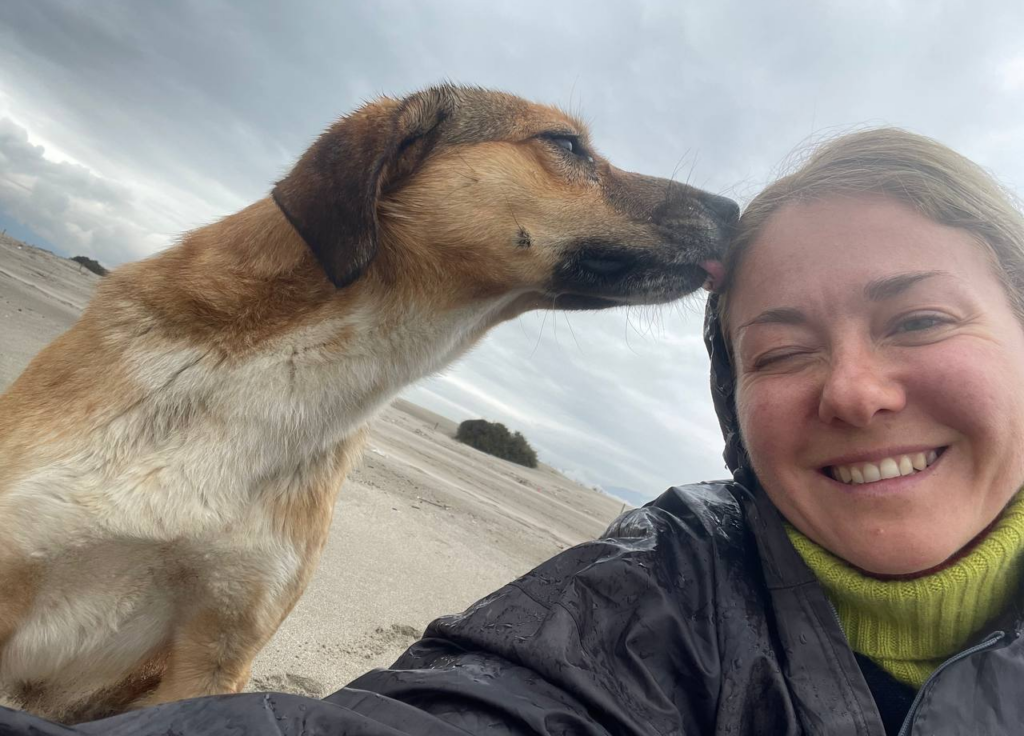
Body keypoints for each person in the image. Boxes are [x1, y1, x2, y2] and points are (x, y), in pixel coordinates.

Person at [4, 127, 1024, 735]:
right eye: (780, 349)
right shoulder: (648, 602)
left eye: (921, 320)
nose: (854, 393)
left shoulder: (325, 451)